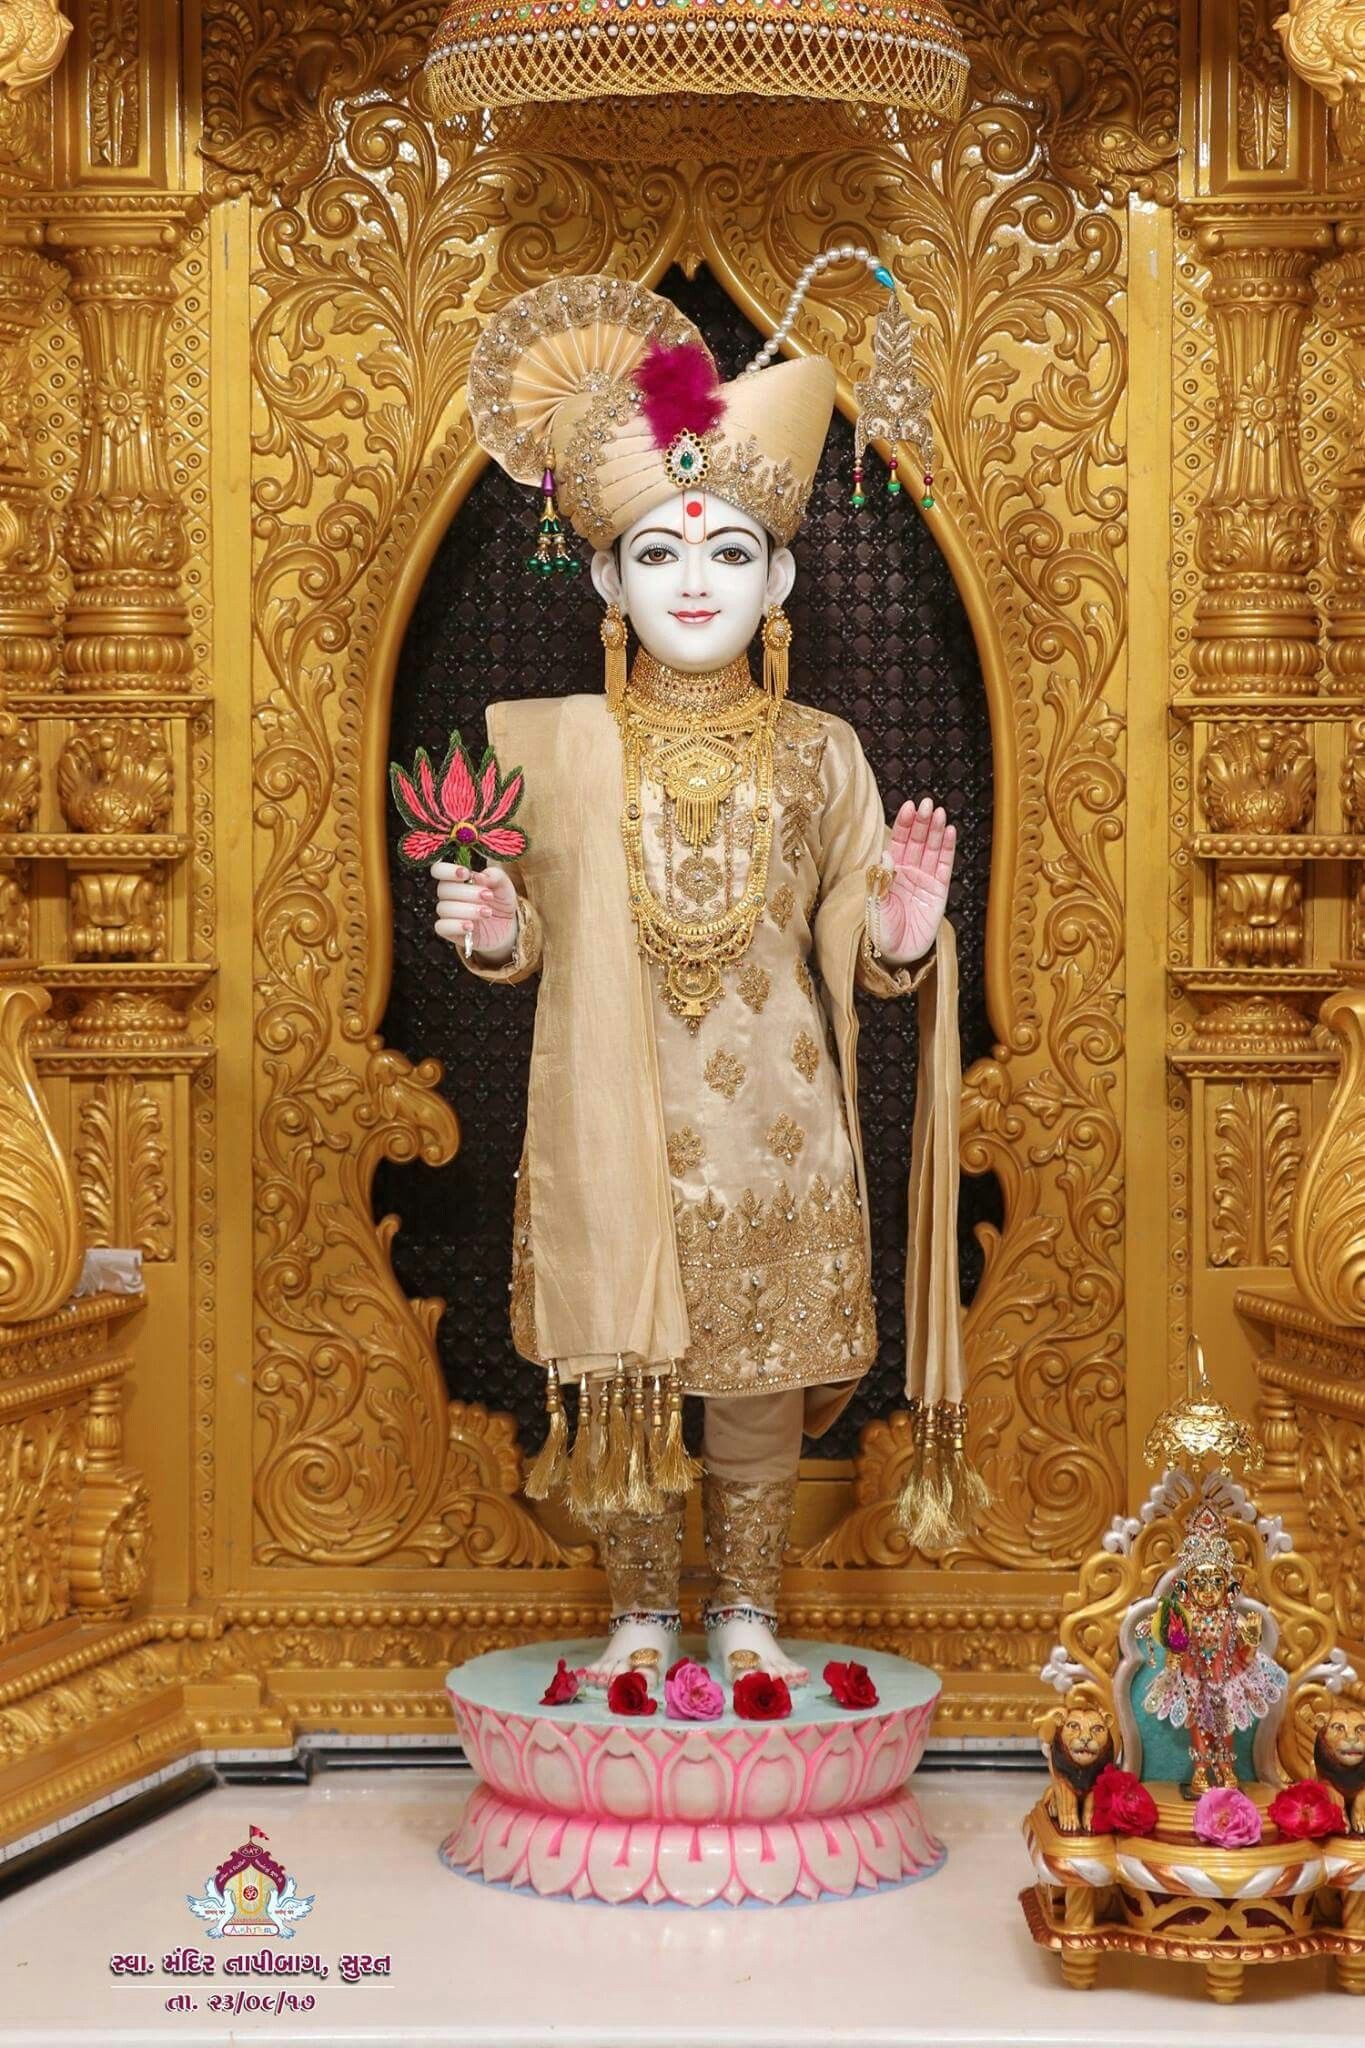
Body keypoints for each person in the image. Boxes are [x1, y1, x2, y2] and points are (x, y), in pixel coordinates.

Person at [430, 270, 975, 1689]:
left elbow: (865, 935)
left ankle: (741, 1611)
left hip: (775, 1129)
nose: (691, 582)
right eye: (662, 555)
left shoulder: (820, 751)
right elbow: (536, 939)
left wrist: (906, 930)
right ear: (606, 577)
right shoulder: (554, 751)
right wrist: (497, 928)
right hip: (618, 1122)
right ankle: (634, 1613)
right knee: (630, 1379)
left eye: (728, 554)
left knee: (749, 1387)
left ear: (779, 578)